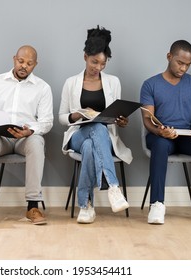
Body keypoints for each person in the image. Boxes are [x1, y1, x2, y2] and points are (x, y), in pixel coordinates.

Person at [140, 39, 191, 225]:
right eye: (180, 62)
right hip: (161, 136)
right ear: (169, 56)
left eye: (188, 64)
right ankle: (157, 204)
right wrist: (159, 131)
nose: (183, 68)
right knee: (161, 145)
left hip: (187, 136)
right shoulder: (150, 84)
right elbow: (147, 119)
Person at [0, 45, 53, 226]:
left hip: (26, 138)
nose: (24, 66)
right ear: (14, 59)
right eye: (21, 61)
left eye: (29, 63)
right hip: (2, 138)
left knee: (37, 143)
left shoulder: (43, 88)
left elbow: (47, 121)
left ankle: (33, 206)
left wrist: (30, 130)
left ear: (35, 65)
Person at [58, 26, 131, 224]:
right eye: (94, 62)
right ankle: (113, 188)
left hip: (103, 139)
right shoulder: (71, 83)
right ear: (85, 57)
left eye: (102, 64)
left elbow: (116, 112)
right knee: (94, 129)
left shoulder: (113, 82)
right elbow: (61, 117)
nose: (98, 67)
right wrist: (75, 116)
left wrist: (121, 120)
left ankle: (86, 205)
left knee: (92, 143)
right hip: (77, 135)